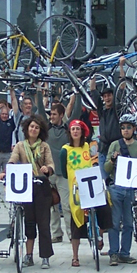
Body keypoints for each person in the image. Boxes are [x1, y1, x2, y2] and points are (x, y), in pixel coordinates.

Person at [104, 114, 137, 266]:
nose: (125, 130)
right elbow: (106, 168)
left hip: (131, 189)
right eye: (123, 128)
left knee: (128, 223)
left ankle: (124, 253)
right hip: (115, 187)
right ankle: (113, 253)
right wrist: (112, 160)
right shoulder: (115, 145)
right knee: (114, 222)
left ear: (134, 129)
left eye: (128, 127)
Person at [60, 119, 112, 267]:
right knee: (76, 219)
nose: (75, 131)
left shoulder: (88, 147)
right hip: (76, 187)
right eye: (73, 129)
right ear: (70, 132)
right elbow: (64, 171)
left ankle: (99, 234)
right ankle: (75, 256)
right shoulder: (65, 150)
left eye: (78, 129)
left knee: (104, 206)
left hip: (91, 183)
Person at [5, 115, 55, 268]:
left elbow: (51, 164)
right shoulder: (20, 145)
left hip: (41, 185)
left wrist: (47, 169)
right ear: (26, 129)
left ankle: (45, 256)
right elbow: (13, 159)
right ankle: (28, 255)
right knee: (29, 222)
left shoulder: (44, 146)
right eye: (31, 126)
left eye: (37, 127)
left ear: (40, 131)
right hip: (26, 186)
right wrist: (8, 168)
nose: (33, 129)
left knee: (44, 223)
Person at [37, 92, 81, 242]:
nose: (51, 116)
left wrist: (79, 94)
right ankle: (56, 234)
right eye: (51, 114)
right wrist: (39, 91)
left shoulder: (68, 129)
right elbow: (41, 111)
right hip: (49, 173)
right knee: (52, 206)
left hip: (63, 173)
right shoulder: (47, 128)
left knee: (67, 205)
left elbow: (77, 113)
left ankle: (71, 234)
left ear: (61, 115)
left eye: (54, 114)